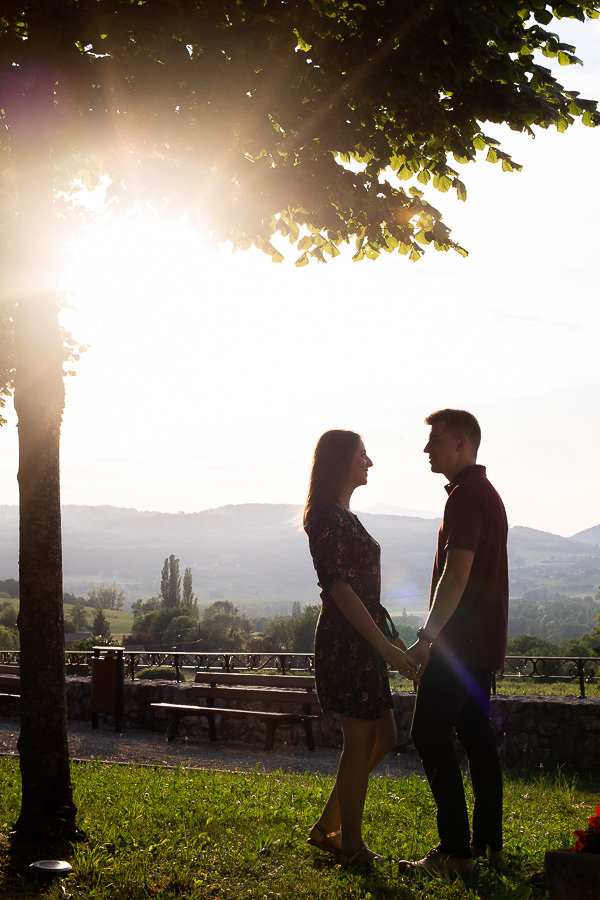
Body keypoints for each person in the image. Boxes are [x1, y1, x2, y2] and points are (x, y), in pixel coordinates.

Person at [400, 409, 508, 877]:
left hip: (456, 642)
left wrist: (427, 637)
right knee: (477, 739)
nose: (427, 449)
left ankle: (456, 853)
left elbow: (456, 574)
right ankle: (487, 845)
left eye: (436, 441)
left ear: (462, 444)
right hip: (479, 642)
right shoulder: (487, 493)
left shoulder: (464, 496)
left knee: (428, 733)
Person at [303, 429, 415, 868]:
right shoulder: (325, 517)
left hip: (364, 639)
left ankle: (326, 826)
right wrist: (383, 647)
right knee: (360, 741)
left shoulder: (343, 515)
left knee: (384, 736)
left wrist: (390, 640)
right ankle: (350, 844)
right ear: (341, 462)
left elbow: (364, 595)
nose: (369, 463)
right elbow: (341, 590)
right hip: (346, 642)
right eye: (363, 455)